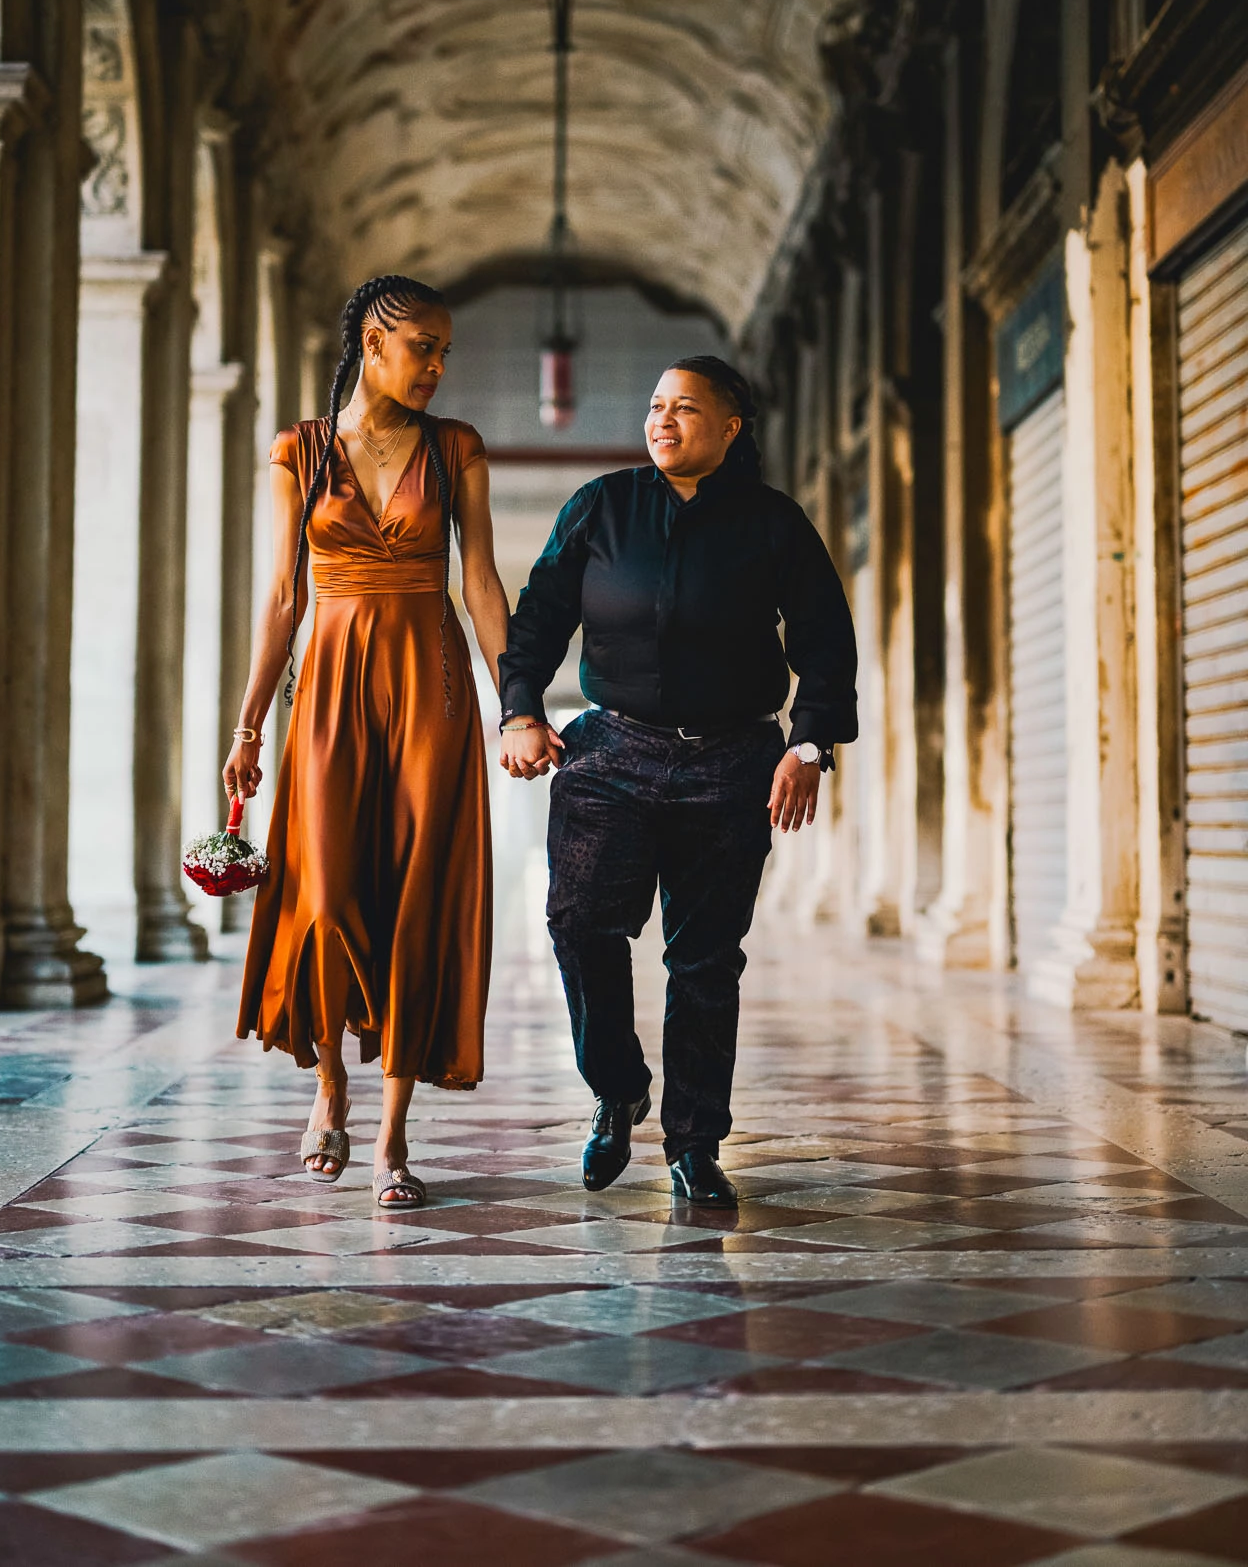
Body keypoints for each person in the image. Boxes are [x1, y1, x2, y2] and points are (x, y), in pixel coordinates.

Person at [499, 356, 856, 1207]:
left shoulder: (773, 522)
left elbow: (824, 637)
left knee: (703, 962)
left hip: (733, 764)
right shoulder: (602, 508)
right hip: (610, 753)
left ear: (731, 429)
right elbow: (542, 611)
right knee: (580, 921)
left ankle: (695, 1144)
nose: (662, 420)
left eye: (685, 408)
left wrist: (807, 748)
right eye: (656, 405)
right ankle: (617, 1087)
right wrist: (519, 709)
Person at [227, 275, 508, 1209]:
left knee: (418, 886)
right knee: (326, 883)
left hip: (430, 685)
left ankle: (390, 1135)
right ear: (372, 342)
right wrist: (248, 721)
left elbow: (480, 586)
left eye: (444, 351)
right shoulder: (299, 452)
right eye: (421, 345)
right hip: (331, 689)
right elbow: (282, 598)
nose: (435, 365)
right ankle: (329, 1090)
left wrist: (516, 703)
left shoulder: (457, 448)